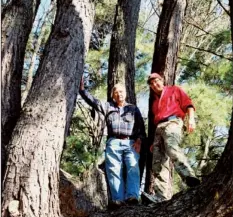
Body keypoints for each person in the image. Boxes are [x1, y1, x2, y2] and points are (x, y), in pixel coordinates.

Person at [79, 79, 145, 209]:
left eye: (121, 92)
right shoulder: (108, 106)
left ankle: (132, 197)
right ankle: (118, 199)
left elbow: (141, 128)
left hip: (130, 142)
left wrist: (139, 141)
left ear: (125, 93)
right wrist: (82, 91)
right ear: (112, 95)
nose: (119, 94)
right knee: (113, 170)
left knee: (133, 167)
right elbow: (93, 102)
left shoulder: (133, 108)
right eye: (116, 92)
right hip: (113, 142)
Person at [142, 72, 200, 204]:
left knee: (171, 147)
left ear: (162, 80)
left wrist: (191, 119)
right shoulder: (155, 103)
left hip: (173, 122)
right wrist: (154, 142)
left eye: (156, 81)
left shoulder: (175, 90)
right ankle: (161, 196)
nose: (155, 85)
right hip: (159, 129)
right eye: (152, 84)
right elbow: (156, 121)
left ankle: (190, 177)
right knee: (157, 161)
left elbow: (188, 105)